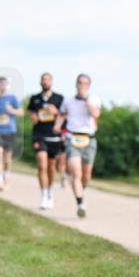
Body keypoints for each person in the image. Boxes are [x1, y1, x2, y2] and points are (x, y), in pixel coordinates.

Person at [55, 74, 101, 218]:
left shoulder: (94, 99)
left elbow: (95, 114)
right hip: (72, 138)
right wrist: (57, 125)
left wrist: (85, 100)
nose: (82, 86)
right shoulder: (67, 101)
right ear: (76, 84)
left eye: (85, 83)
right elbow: (61, 114)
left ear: (89, 86)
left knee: (86, 176)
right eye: (80, 83)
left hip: (89, 139)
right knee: (76, 173)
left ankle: (80, 190)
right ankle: (80, 203)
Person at [27, 73, 65, 210]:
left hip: (53, 136)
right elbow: (30, 111)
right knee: (41, 165)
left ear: (52, 82)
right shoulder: (34, 98)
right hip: (39, 135)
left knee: (51, 166)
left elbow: (64, 115)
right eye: (43, 79)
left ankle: (50, 192)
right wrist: (33, 116)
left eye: (47, 79)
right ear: (40, 82)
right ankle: (43, 196)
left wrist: (55, 112)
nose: (45, 81)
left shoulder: (59, 98)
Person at [0, 76, 23, 192]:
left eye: (4, 83)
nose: (2, 85)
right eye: (0, 83)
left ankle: (7, 176)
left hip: (9, 131)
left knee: (7, 158)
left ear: (6, 85)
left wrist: (11, 110)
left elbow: (21, 112)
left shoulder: (12, 98)